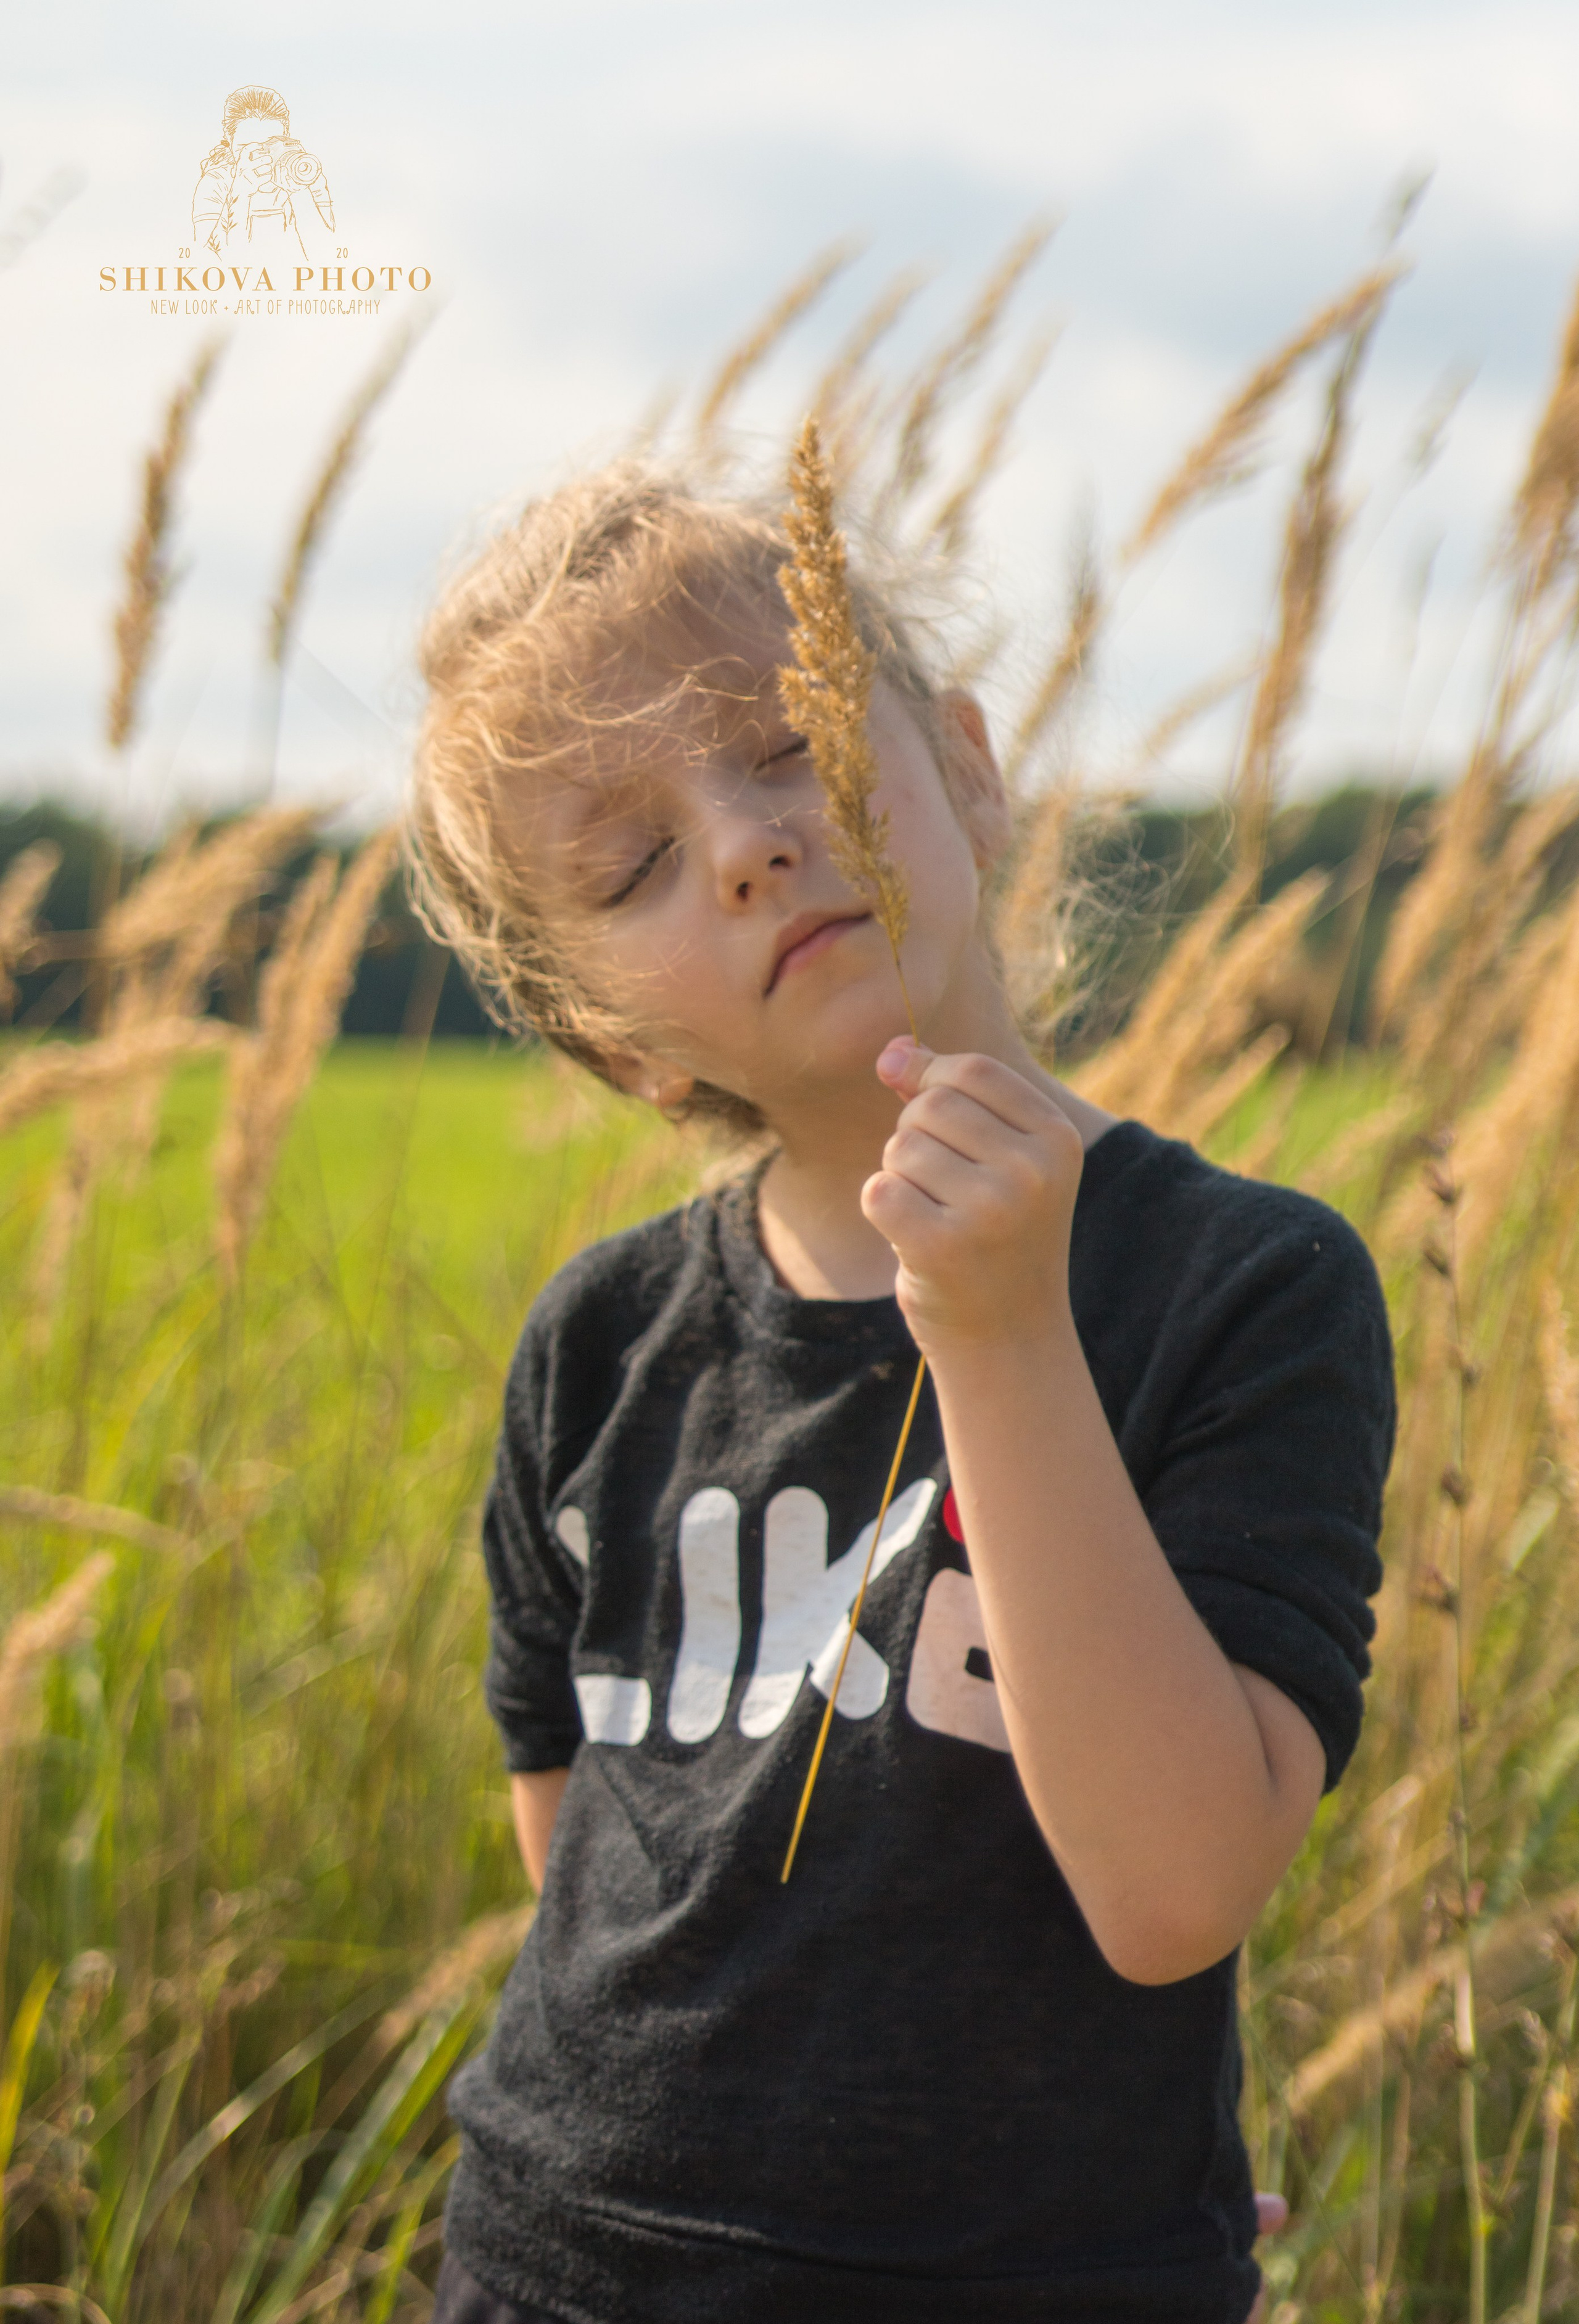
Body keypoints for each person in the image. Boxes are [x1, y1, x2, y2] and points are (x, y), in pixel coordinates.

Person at [404, 461, 1395, 2324]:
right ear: (617, 1042)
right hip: (563, 2268)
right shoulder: (602, 1347)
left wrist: (1003, 1329)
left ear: (968, 767)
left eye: (787, 747)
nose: (747, 843)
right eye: (630, 865)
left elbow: (1178, 1891)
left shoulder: (1244, 1289)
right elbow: (589, 1836)